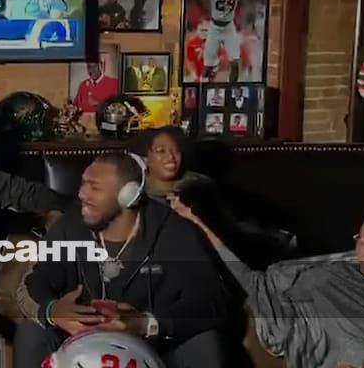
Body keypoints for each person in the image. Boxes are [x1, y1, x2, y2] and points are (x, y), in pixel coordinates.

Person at [170, 200, 364, 368]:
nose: (363, 252)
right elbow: (255, 283)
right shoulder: (329, 277)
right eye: (361, 240)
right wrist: (199, 225)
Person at [14, 153, 227, 368]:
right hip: (79, 343)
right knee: (31, 331)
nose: (82, 194)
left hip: (153, 345)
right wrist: (52, 311)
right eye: (83, 184)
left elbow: (210, 300)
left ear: (128, 195)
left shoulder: (174, 232)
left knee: (204, 341)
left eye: (94, 187)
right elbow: (34, 282)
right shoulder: (69, 226)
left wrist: (147, 323)